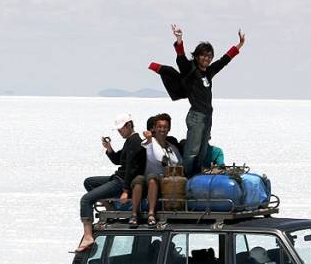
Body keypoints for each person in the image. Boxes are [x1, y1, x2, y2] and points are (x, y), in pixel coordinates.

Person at [148, 24, 245, 176]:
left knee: (202, 151)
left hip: (207, 116)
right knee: (192, 151)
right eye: (203, 55)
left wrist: (239, 45)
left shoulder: (209, 72)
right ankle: (185, 178)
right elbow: (181, 59)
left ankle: (197, 178)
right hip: (196, 116)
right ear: (197, 56)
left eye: (209, 56)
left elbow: (223, 61)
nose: (206, 59)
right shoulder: (191, 71)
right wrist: (179, 40)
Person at [74, 112, 146, 252]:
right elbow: (118, 160)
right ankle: (111, 208)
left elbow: (131, 169)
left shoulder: (135, 142)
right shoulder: (130, 140)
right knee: (89, 182)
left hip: (121, 182)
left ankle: (88, 236)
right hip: (118, 178)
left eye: (121, 129)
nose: (120, 132)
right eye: (118, 130)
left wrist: (125, 191)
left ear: (129, 125)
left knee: (86, 200)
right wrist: (109, 148)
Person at [130, 113, 182, 226]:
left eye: (165, 127)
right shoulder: (149, 142)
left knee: (152, 179)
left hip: (162, 180)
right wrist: (149, 139)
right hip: (147, 177)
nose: (162, 129)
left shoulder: (171, 147)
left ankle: (151, 213)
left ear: (168, 129)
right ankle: (134, 214)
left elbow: (178, 163)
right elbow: (152, 153)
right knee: (139, 180)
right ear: (154, 128)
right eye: (159, 127)